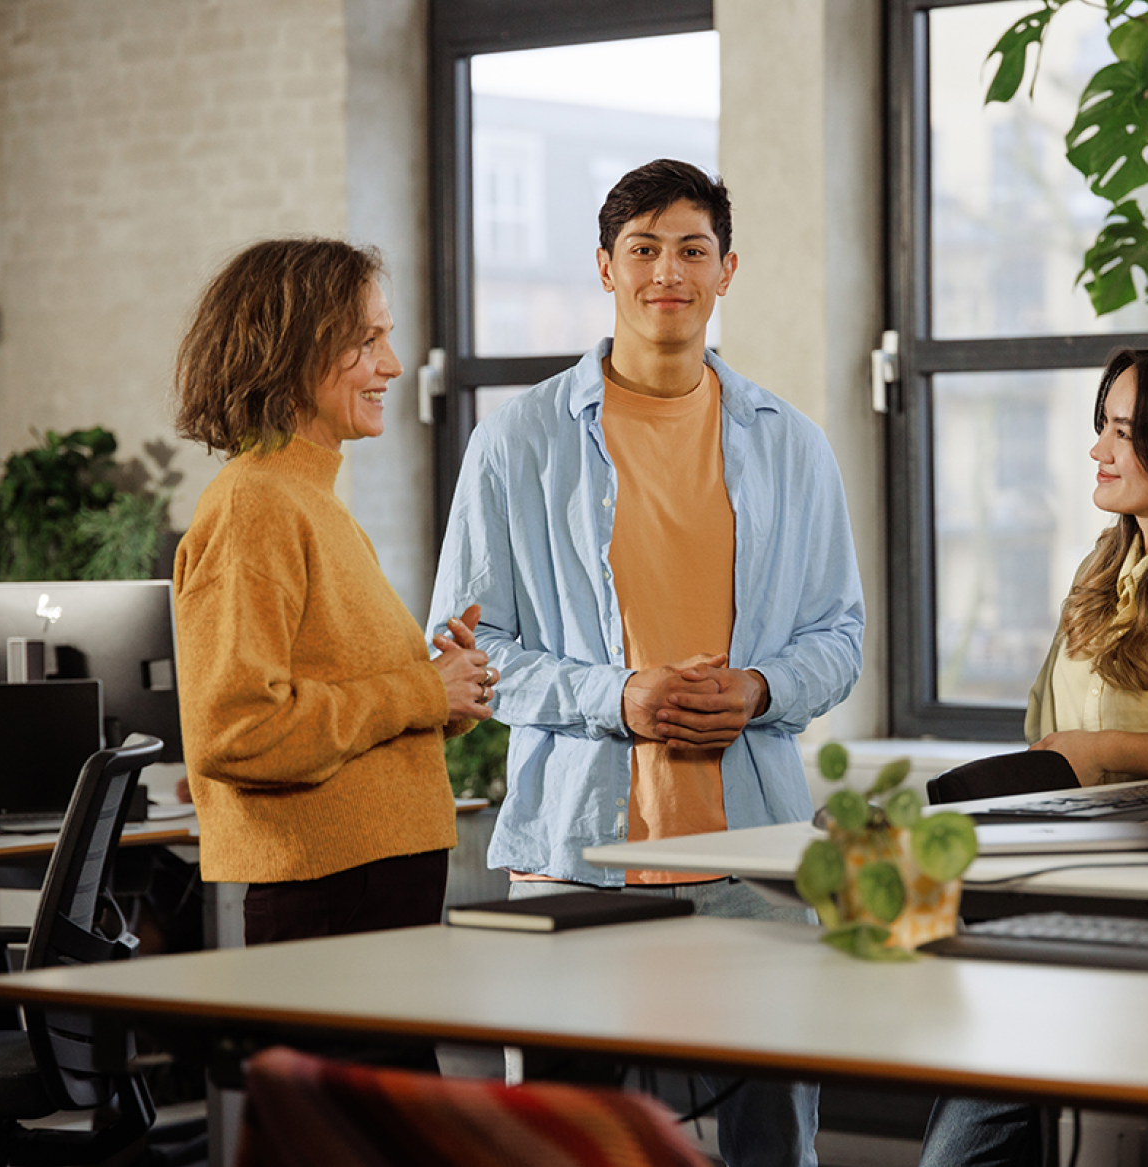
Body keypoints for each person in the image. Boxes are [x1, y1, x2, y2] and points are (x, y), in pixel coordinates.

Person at [427, 159, 864, 1167]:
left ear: (726, 271)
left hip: (753, 855)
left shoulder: (792, 444)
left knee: (773, 1142)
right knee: (560, 1143)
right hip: (574, 851)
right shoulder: (516, 441)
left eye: (691, 249)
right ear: (603, 266)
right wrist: (617, 697)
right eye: (643, 248)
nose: (667, 270)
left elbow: (838, 637)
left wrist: (757, 691)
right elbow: (467, 646)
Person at [918, 340, 1148, 1167]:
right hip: (1060, 907)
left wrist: (1105, 750)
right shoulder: (1107, 561)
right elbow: (1045, 729)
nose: (1097, 449)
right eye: (1102, 426)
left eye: (1123, 432)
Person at [173, 238, 494, 947]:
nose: (393, 363)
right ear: (288, 352)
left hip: (368, 883)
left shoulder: (311, 497)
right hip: (332, 890)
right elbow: (237, 731)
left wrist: (448, 689)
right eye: (366, 340)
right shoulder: (255, 503)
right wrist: (420, 691)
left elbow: (357, 702)